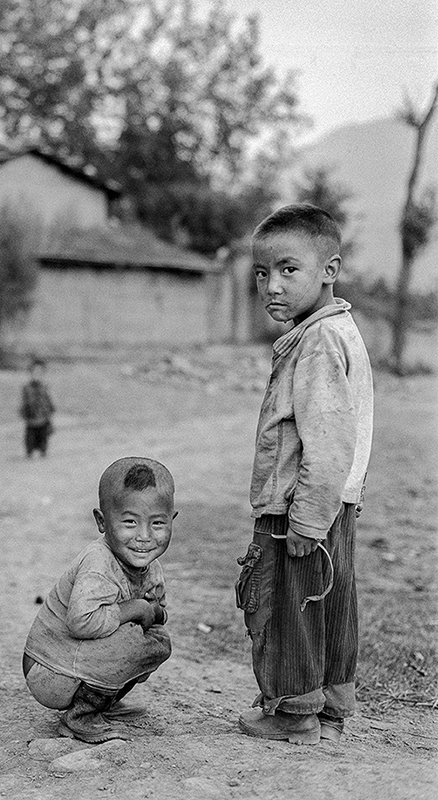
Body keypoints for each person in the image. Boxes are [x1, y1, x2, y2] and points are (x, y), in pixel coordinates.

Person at [236, 203, 373, 745]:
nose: (273, 285)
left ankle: (294, 712)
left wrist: (306, 520)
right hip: (335, 503)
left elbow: (329, 439)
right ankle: (332, 699)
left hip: (299, 507)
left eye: (289, 270)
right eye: (263, 273)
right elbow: (351, 431)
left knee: (285, 609)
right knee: (331, 602)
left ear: (328, 270)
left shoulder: (316, 344)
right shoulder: (339, 329)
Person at [23, 457, 175, 743]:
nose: (144, 536)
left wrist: (152, 612)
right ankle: (80, 716)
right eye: (129, 522)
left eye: (157, 523)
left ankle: (104, 704)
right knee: (132, 640)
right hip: (50, 670)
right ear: (102, 522)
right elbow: (82, 622)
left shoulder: (149, 565)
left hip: (76, 663)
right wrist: (137, 608)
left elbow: (157, 612)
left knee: (155, 641)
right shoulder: (98, 562)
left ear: (172, 520)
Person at [20, 358, 55, 457]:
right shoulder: (26, 388)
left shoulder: (45, 387)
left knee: (43, 436)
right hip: (31, 417)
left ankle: (43, 451)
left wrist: (50, 411)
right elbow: (24, 401)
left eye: (39, 373)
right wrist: (24, 412)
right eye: (34, 372)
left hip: (43, 416)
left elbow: (49, 400)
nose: (37, 375)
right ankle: (29, 452)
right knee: (30, 437)